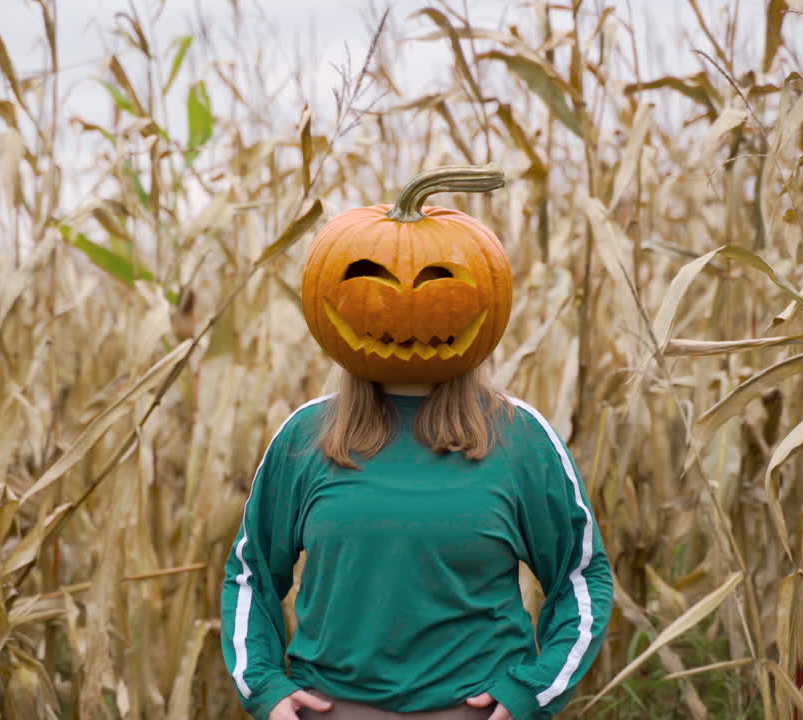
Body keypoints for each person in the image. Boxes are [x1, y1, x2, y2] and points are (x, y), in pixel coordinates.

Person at [220, 166, 614, 720]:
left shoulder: (519, 437)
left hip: (472, 710)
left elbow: (581, 574)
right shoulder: (305, 439)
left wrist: (532, 689)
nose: (406, 304)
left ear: (482, 295)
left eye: (439, 284)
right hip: (332, 709)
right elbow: (252, 573)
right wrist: (264, 685)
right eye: (370, 279)